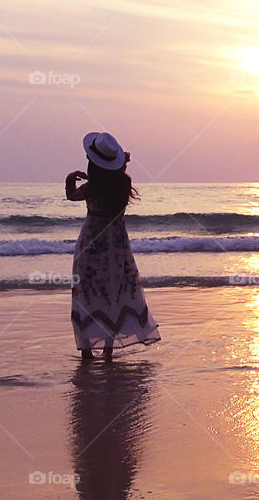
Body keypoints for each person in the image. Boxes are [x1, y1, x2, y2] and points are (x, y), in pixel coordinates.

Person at [66, 132, 160, 360]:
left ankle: (87, 348)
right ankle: (108, 347)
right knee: (114, 291)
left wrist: (70, 177)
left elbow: (71, 195)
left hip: (91, 245)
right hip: (117, 246)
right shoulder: (123, 183)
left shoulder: (91, 187)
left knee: (87, 291)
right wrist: (121, 167)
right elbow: (115, 177)